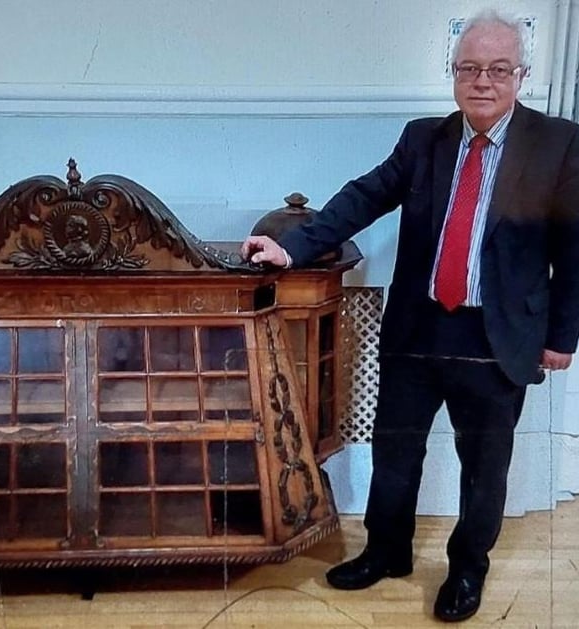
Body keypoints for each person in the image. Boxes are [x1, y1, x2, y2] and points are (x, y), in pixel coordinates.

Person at [241, 9, 579, 623]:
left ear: (520, 75)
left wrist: (562, 336)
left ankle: (468, 572)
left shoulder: (558, 144)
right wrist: (293, 247)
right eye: (469, 68)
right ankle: (386, 552)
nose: (482, 80)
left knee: (485, 466)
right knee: (397, 452)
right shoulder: (424, 138)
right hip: (419, 327)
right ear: (453, 73)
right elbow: (365, 196)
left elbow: (573, 247)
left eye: (497, 69)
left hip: (496, 336)